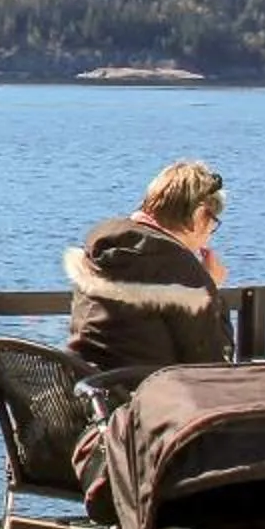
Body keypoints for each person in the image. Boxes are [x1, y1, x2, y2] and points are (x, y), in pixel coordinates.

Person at [65, 161, 230, 375]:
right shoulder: (182, 271)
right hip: (141, 400)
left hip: (80, 391)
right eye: (213, 224)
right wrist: (210, 292)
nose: (208, 237)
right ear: (200, 217)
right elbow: (212, 366)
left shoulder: (99, 247)